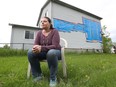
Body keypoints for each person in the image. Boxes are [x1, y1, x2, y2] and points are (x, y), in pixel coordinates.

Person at [27, 17, 61, 87]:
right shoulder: (39, 33)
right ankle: (38, 76)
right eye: (41, 21)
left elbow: (55, 45)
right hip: (43, 53)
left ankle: (53, 78)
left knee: (51, 53)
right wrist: (36, 48)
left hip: (55, 52)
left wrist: (41, 48)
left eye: (45, 21)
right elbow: (35, 44)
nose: (42, 23)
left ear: (50, 23)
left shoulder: (55, 31)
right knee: (30, 52)